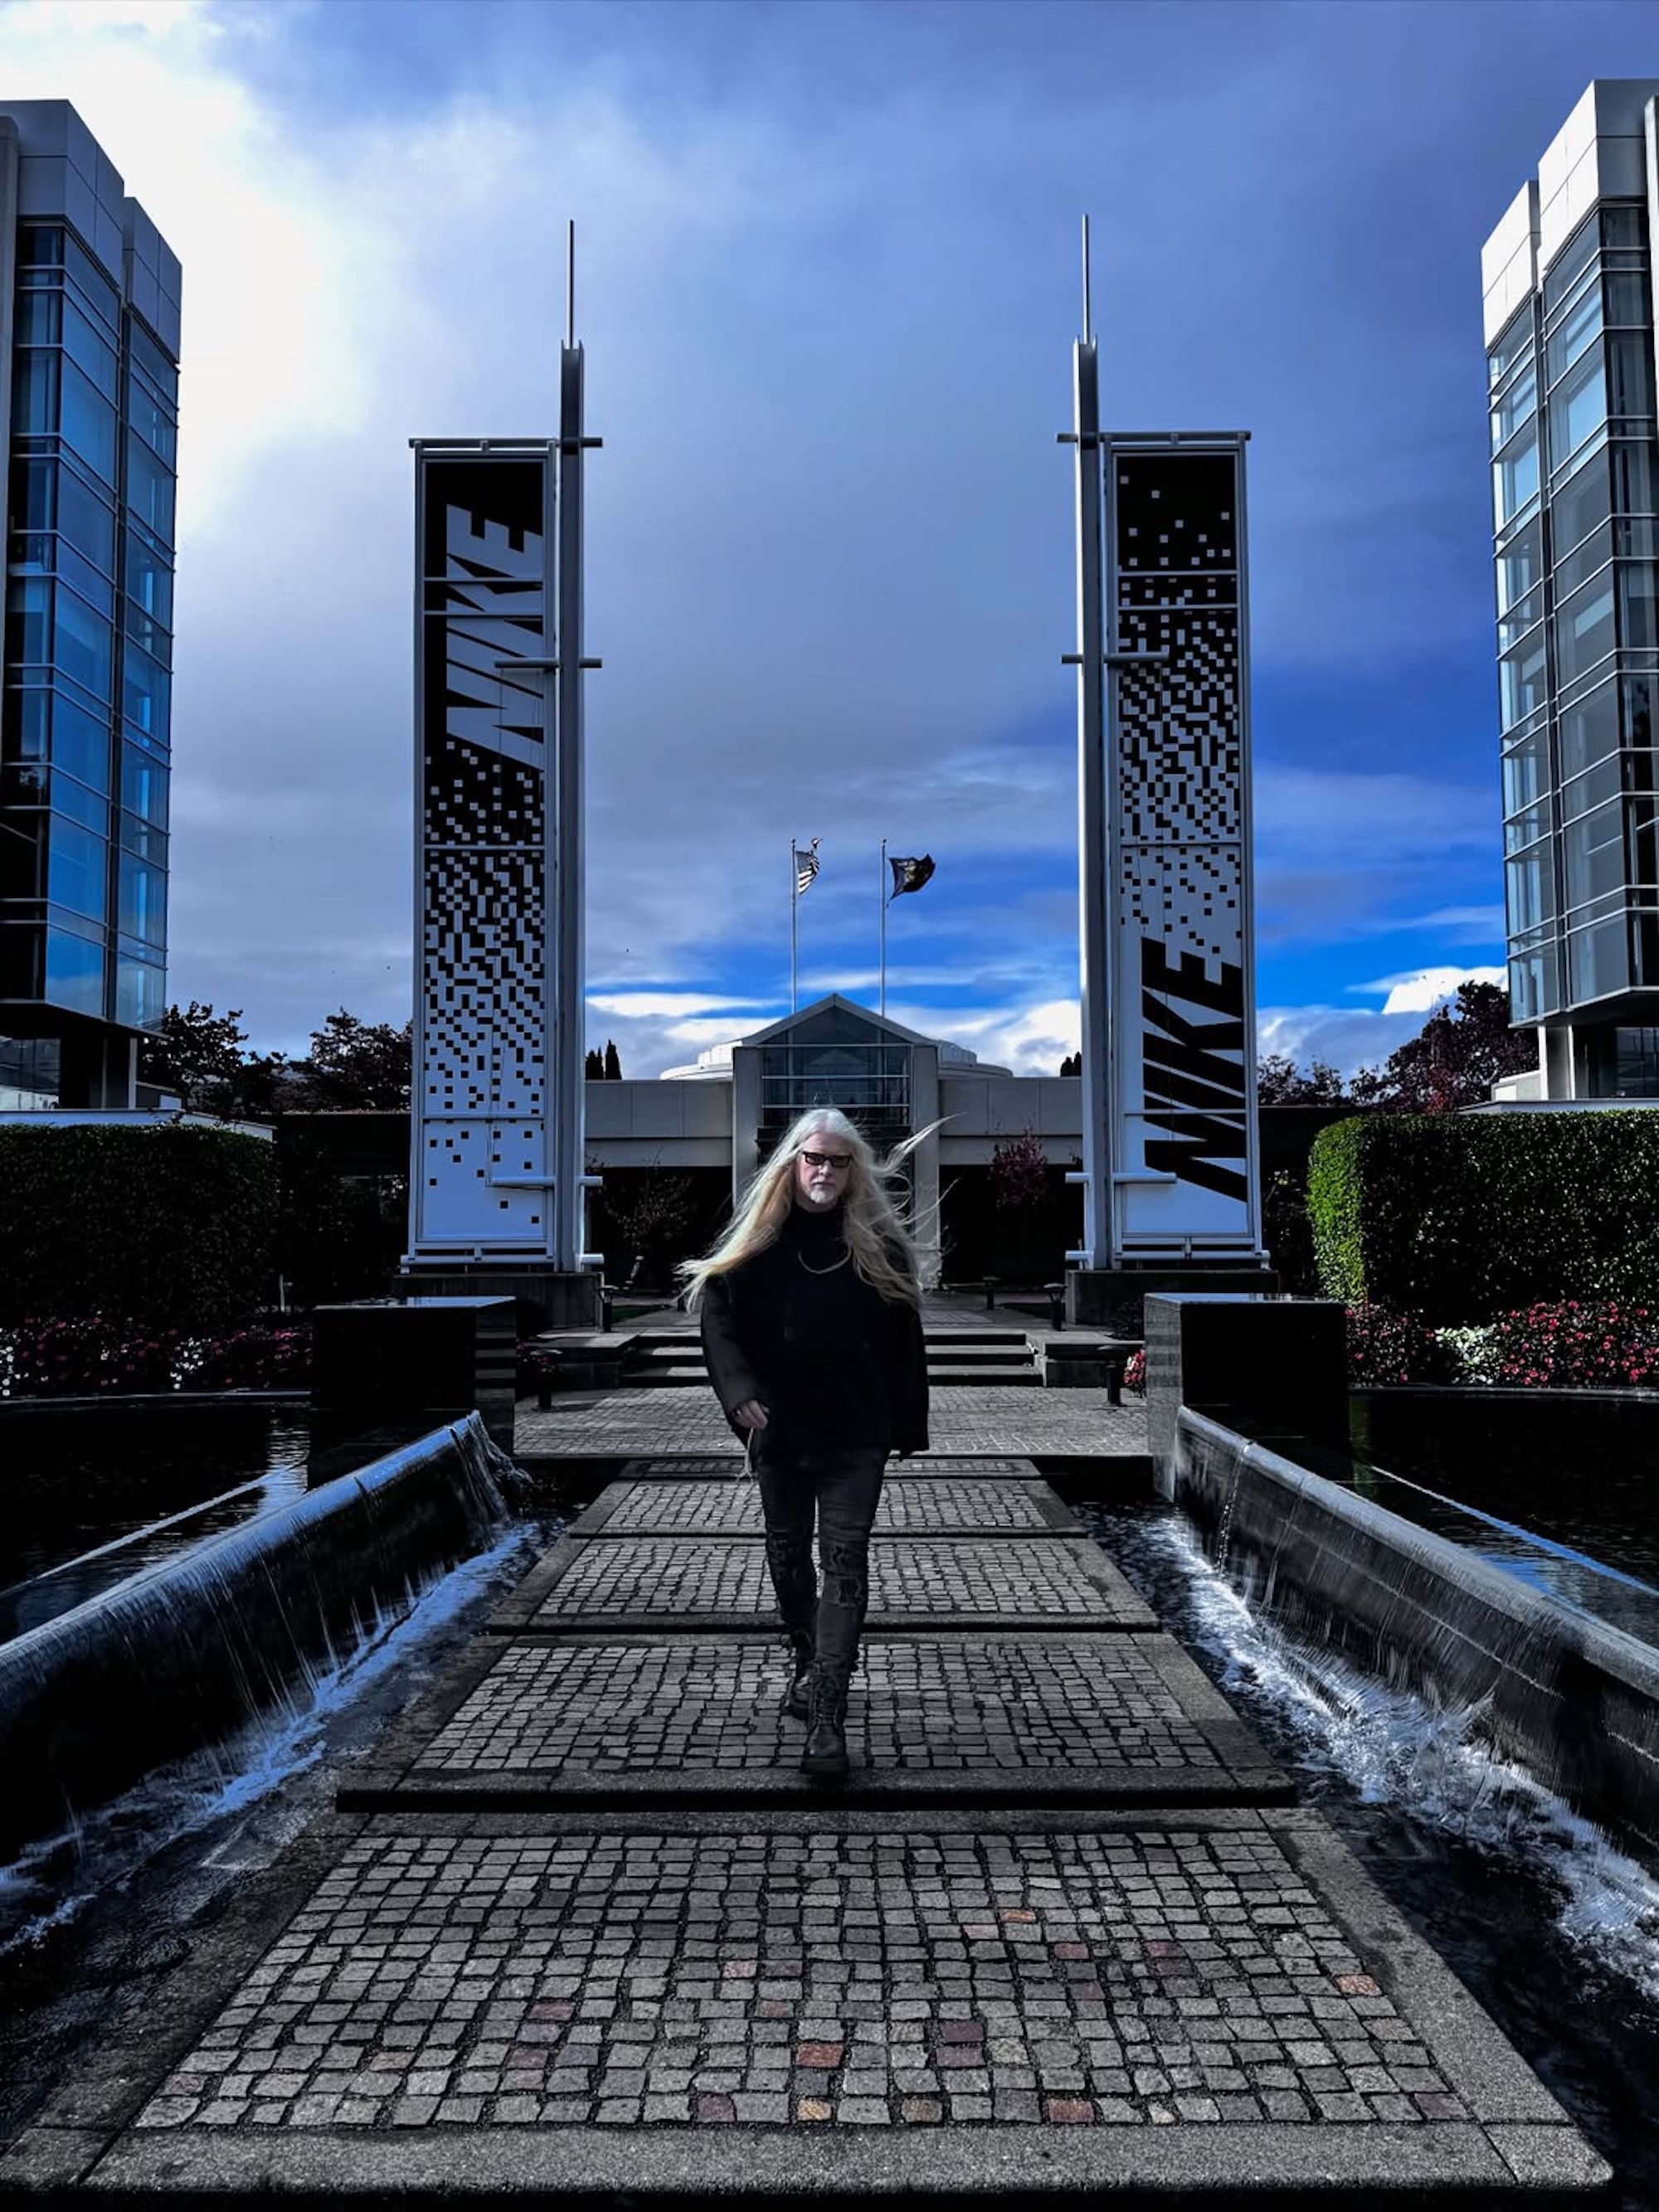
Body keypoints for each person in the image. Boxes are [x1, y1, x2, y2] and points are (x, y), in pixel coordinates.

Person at [679, 1106, 929, 1782]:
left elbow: (905, 1338)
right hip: (781, 1433)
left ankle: (827, 1711)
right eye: (813, 1158)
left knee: (844, 1565)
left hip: (855, 1435)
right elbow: (718, 1311)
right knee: (788, 1561)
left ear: (854, 1172)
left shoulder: (878, 1243)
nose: (823, 1170)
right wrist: (737, 1391)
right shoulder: (761, 1241)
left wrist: (907, 1422)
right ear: (793, 1164)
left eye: (837, 1161)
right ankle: (805, 1657)